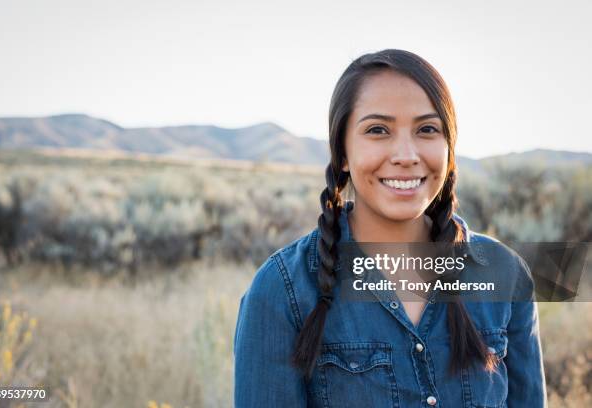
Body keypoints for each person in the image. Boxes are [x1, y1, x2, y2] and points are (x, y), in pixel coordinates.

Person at [233, 49, 547, 407]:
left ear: (449, 147)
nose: (406, 154)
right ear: (343, 153)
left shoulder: (504, 274)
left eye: (427, 129)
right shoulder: (282, 290)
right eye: (378, 130)